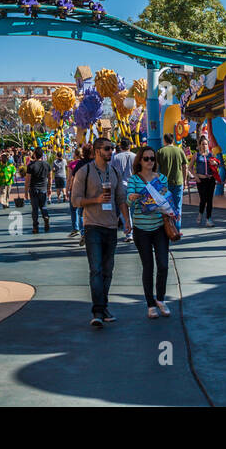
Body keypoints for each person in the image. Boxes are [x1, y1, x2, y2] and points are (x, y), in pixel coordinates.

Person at [71, 136, 130, 328]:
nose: (110, 151)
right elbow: (75, 200)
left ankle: (103, 307)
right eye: (107, 148)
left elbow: (121, 198)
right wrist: (95, 200)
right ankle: (98, 310)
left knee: (108, 270)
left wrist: (127, 221)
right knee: (96, 269)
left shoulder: (114, 172)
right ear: (97, 151)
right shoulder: (84, 172)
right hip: (93, 225)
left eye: (111, 148)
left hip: (111, 226)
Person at [127, 145, 175, 318]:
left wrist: (169, 208)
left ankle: (160, 299)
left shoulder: (161, 178)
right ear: (140, 160)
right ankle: (150, 304)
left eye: (152, 158)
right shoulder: (134, 179)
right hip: (141, 229)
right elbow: (128, 200)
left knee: (163, 265)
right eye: (146, 158)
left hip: (160, 227)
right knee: (148, 267)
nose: (149, 161)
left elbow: (166, 198)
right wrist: (132, 197)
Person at [157, 133, 188, 227]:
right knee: (177, 206)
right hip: (178, 182)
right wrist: (185, 180)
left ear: (164, 140)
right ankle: (177, 228)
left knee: (165, 207)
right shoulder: (179, 151)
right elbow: (185, 166)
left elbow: (156, 169)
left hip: (164, 184)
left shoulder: (160, 152)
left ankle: (168, 229)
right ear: (173, 140)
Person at [109, 139, 136, 239]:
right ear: (130, 146)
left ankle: (129, 233)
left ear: (121, 146)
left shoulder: (116, 157)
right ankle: (135, 232)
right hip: (133, 185)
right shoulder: (135, 156)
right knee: (133, 210)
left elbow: (111, 172)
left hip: (120, 185)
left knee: (123, 210)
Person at [25, 146, 52, 234]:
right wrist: (49, 188)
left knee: (35, 208)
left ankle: (35, 227)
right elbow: (50, 177)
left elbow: (27, 180)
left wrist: (25, 192)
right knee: (43, 206)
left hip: (34, 189)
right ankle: (46, 216)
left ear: (35, 154)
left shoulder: (31, 166)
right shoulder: (46, 164)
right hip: (43, 189)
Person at [194, 142, 217, 227]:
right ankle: (200, 213)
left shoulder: (211, 155)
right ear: (200, 145)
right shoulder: (196, 155)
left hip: (210, 180)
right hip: (201, 180)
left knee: (209, 200)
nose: (204, 146)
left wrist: (215, 164)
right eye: (203, 144)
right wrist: (196, 176)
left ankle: (208, 219)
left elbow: (217, 164)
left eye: (206, 144)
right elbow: (190, 167)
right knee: (203, 199)